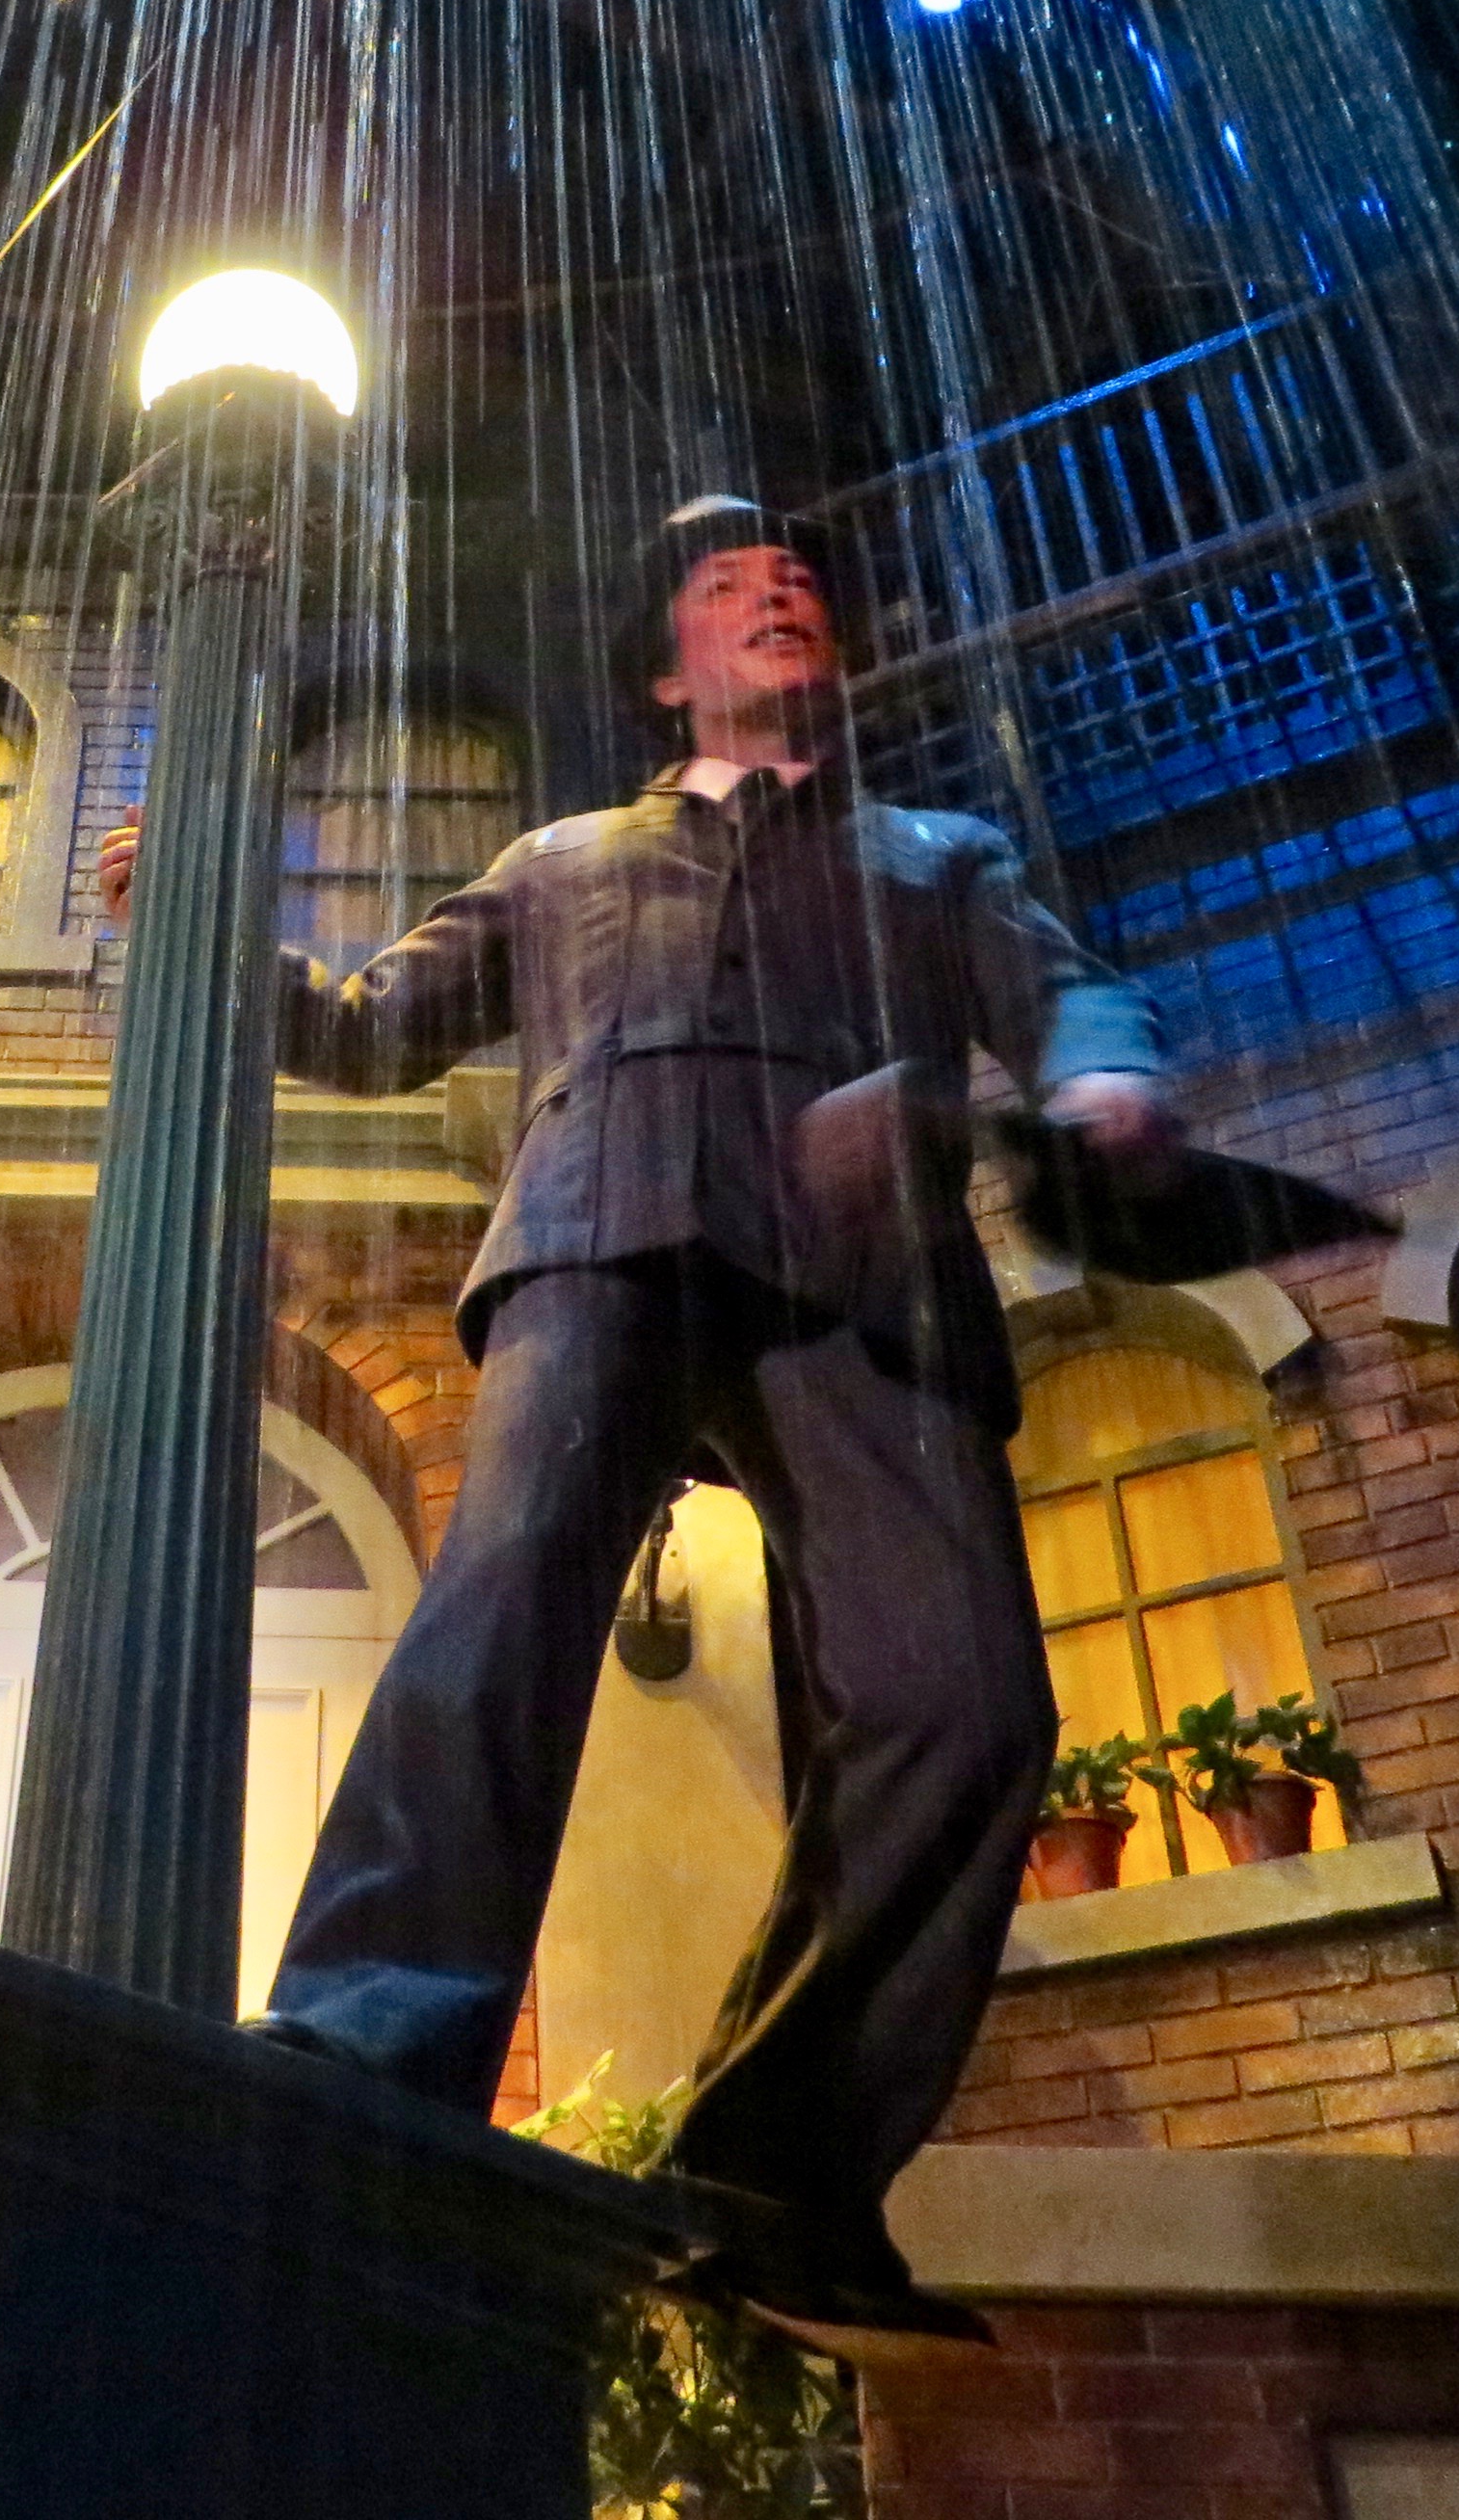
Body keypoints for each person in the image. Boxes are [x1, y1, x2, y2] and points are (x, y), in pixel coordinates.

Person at [100, 494, 1182, 2360]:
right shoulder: (558, 858)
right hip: (600, 1229)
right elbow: (371, 1031)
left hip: (862, 1272)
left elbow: (1071, 991)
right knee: (499, 1617)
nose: (776, 595)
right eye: (727, 586)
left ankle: (772, 2179)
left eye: (799, 584)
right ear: (664, 673)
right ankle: (369, 2046)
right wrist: (198, 923)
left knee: (967, 1703)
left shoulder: (938, 855)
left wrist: (1102, 1079)